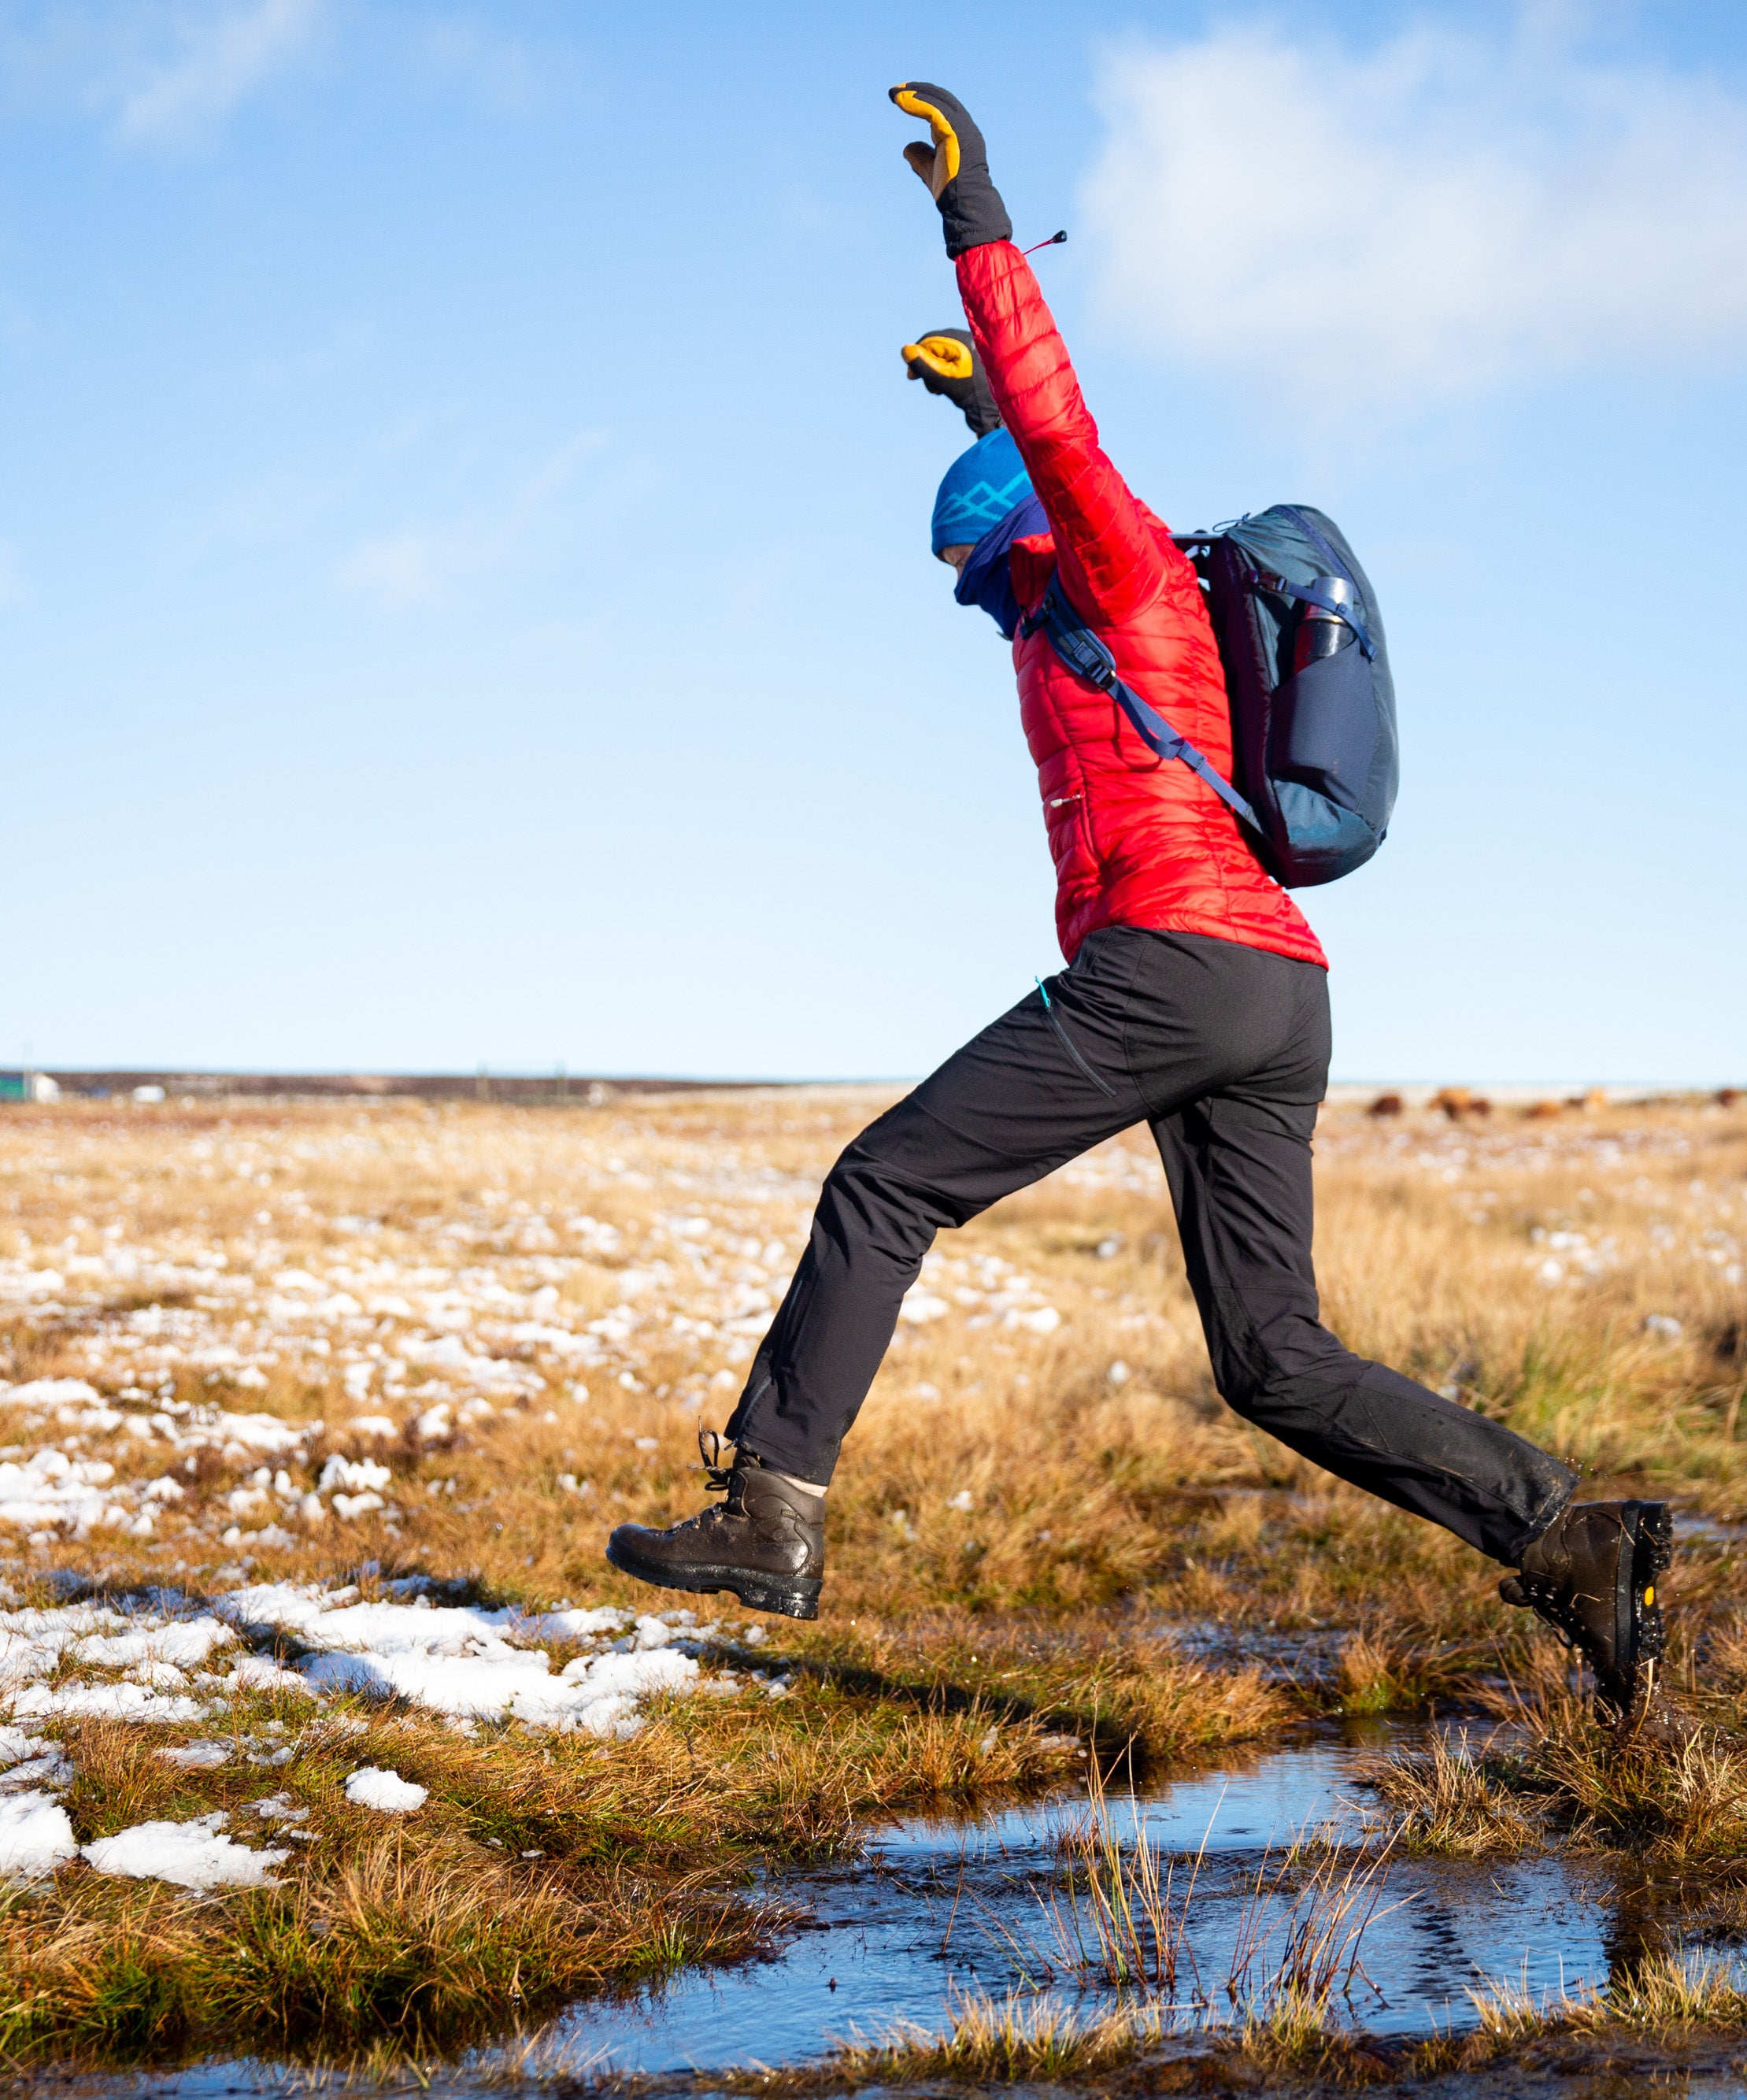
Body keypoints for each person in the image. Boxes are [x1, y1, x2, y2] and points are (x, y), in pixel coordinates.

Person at [607, 83, 1669, 1709]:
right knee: (1271, 1360)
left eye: (988, 574)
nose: (986, 603)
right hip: (1274, 991)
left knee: (884, 1179)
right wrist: (966, 423)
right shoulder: (1077, 596)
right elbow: (1019, 463)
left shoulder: (1107, 563)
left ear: (1032, 542)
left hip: (1172, 961)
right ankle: (1563, 1535)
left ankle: (769, 1507)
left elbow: (1059, 430)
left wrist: (975, 230)